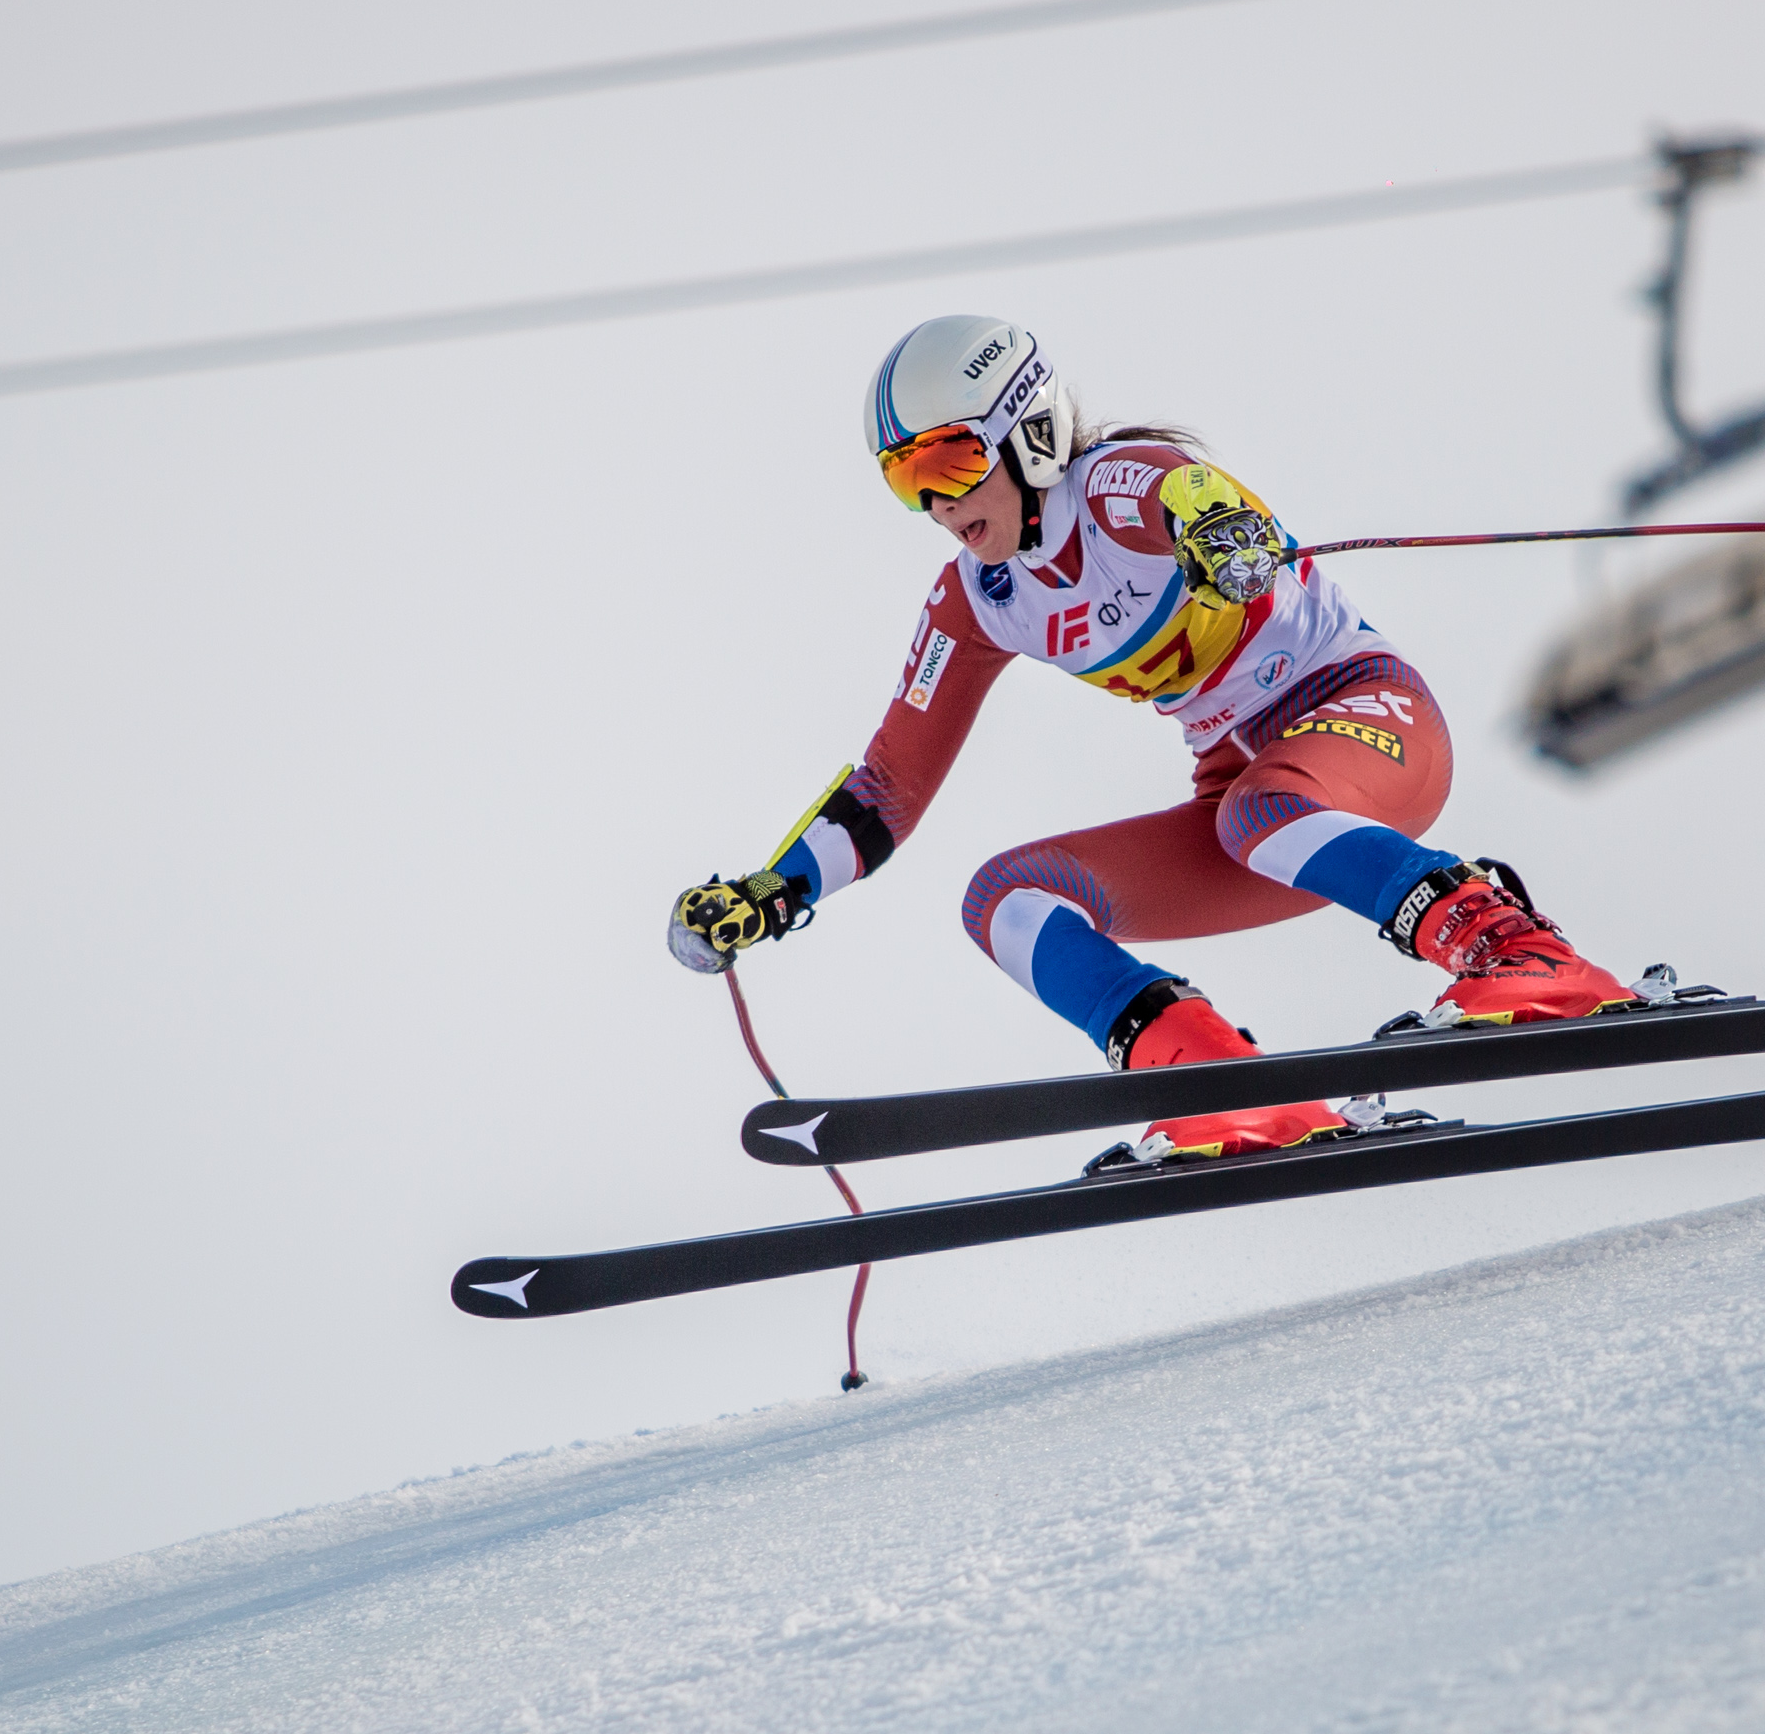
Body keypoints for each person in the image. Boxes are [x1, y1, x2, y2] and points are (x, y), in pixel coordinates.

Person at [669, 315, 1637, 1159]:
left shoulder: (1114, 487)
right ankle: (1212, 1080)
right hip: (1248, 808)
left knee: (1261, 810)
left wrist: (1223, 531)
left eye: (951, 463)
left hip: (1360, 722)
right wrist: (774, 891)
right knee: (1009, 899)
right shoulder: (977, 602)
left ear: (1028, 433)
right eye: (905, 478)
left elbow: (1185, 490)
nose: (937, 503)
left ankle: (1519, 954)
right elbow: (888, 786)